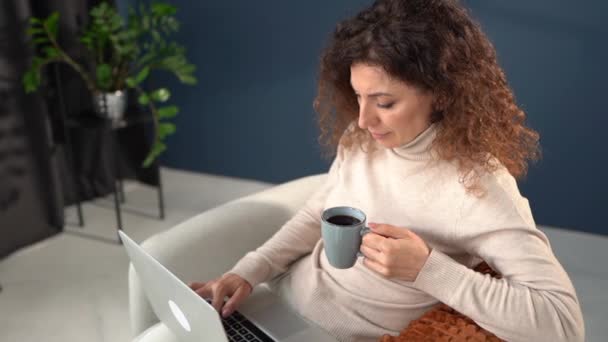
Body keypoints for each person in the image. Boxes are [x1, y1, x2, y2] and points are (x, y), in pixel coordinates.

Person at [189, 0, 585, 341]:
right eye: (358, 97)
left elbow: (563, 323)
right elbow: (319, 213)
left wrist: (428, 269)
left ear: (443, 92)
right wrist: (248, 271)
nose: (362, 120)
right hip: (277, 301)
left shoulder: (477, 186)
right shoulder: (362, 140)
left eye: (384, 102)